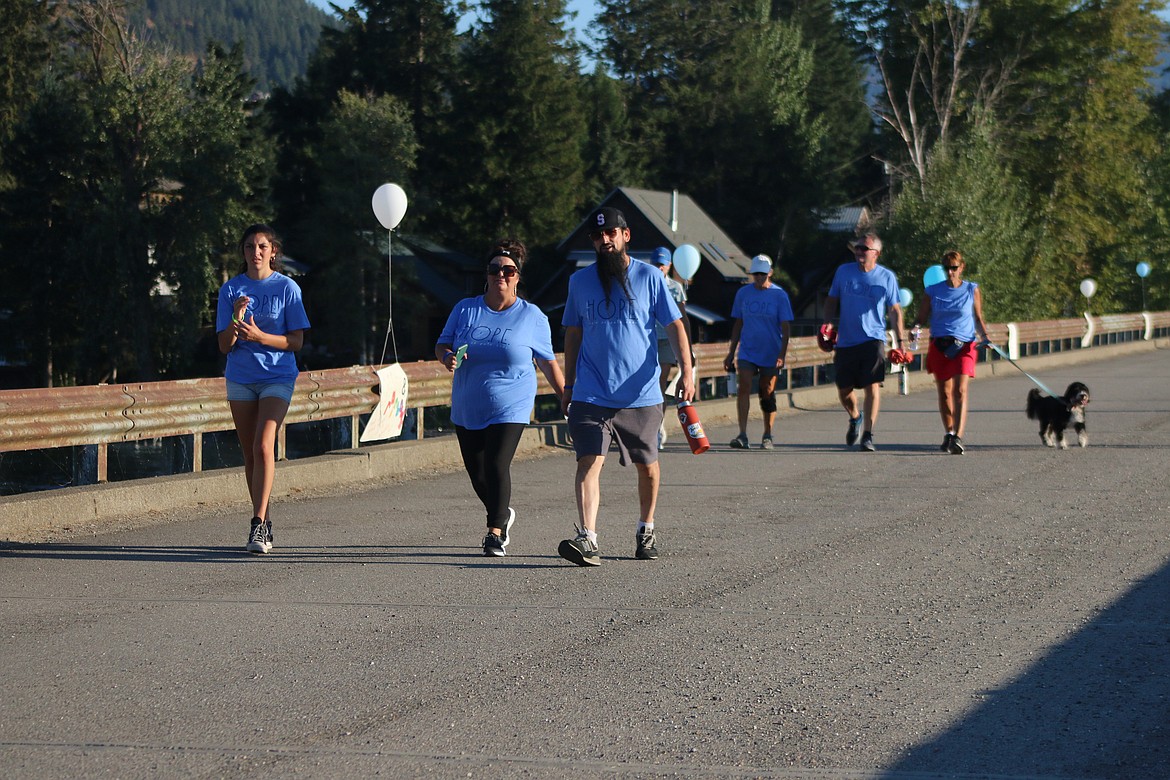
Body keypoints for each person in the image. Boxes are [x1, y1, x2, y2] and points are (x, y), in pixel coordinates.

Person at [559, 207, 695, 566]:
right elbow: (573, 333)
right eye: (598, 236)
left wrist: (688, 371)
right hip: (591, 391)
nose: (605, 241)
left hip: (642, 393)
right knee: (588, 460)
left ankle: (645, 528)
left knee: (647, 465)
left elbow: (675, 326)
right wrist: (569, 384)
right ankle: (588, 537)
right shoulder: (579, 282)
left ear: (625, 236)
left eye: (611, 234)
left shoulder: (651, 278)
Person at [435, 239, 565, 557]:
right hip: (468, 403)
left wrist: (566, 397)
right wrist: (446, 357)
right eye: (495, 270)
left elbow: (548, 361)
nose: (501, 276)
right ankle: (503, 512)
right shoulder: (465, 309)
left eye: (508, 270)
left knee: (496, 463)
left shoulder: (532, 317)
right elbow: (442, 344)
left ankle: (495, 532)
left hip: (513, 402)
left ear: (518, 277)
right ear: (487, 275)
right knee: (477, 472)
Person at [216, 224, 310, 554]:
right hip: (240, 377)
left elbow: (295, 341)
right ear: (243, 253)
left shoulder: (287, 288)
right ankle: (265, 524)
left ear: (273, 252)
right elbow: (225, 346)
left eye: (262, 247)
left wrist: (260, 337)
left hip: (277, 376)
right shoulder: (231, 290)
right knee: (250, 454)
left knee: (264, 444)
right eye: (249, 247)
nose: (255, 252)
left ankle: (256, 524)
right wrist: (234, 320)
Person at [821, 232, 906, 452]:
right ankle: (855, 417)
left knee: (872, 385)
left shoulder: (887, 277)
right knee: (844, 388)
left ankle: (868, 435)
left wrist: (900, 342)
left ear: (876, 253)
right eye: (857, 248)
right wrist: (827, 324)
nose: (859, 252)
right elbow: (832, 299)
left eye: (864, 249)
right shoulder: (843, 272)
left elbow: (895, 310)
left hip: (873, 338)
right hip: (847, 340)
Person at [915, 250, 990, 455]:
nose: (950, 272)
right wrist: (915, 330)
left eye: (954, 268)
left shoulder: (971, 289)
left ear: (962, 267)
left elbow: (977, 317)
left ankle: (958, 436)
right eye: (947, 268)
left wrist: (985, 336)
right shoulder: (932, 291)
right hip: (940, 344)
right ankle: (948, 432)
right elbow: (921, 317)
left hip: (965, 344)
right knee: (945, 392)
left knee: (960, 391)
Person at [722, 254, 793, 450]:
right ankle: (742, 434)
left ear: (770, 273)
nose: (759, 277)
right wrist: (731, 352)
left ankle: (767, 434)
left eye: (762, 274)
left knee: (767, 392)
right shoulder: (743, 294)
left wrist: (782, 354)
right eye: (756, 274)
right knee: (744, 386)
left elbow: (786, 327)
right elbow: (738, 322)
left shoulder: (779, 296)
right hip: (748, 350)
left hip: (771, 352)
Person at [652, 246, 691, 447]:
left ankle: (657, 427)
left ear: (669, 265)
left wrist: (688, 348)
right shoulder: (645, 283)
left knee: (660, 384)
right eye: (656, 264)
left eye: (663, 264)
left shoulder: (675, 288)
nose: (659, 268)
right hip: (648, 339)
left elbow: (683, 320)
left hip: (667, 340)